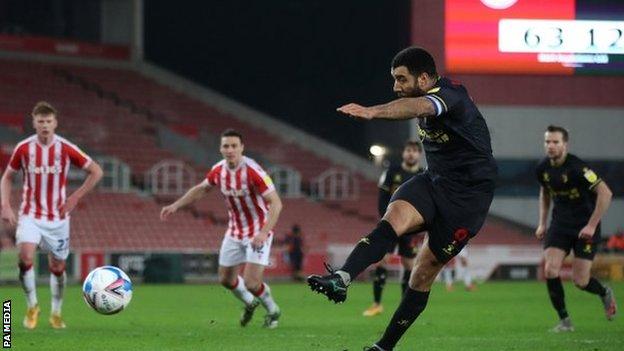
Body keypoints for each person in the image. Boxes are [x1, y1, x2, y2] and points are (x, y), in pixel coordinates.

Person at [307, 46, 498, 351]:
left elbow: (421, 108)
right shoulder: (426, 95)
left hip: (467, 200)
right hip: (433, 182)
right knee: (391, 219)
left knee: (422, 275)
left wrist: (373, 111)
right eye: (394, 80)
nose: (396, 87)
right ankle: (342, 277)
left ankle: (384, 347)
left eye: (401, 80)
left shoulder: (451, 97)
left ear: (423, 78)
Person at [160, 129, 283, 328]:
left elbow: (276, 203)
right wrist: (176, 205)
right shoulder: (219, 170)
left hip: (258, 232)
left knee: (252, 283)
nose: (230, 149)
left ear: (242, 148)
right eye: (226, 146)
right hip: (234, 232)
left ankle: (273, 310)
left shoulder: (254, 171)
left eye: (234, 146)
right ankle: (250, 303)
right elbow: (201, 189)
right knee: (226, 280)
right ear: (220, 148)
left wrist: (263, 232)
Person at [0, 101, 103, 329]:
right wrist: (5, 205)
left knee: (57, 267)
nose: (44, 125)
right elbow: (7, 176)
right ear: (34, 123)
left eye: (48, 121)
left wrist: (75, 197)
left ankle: (56, 312)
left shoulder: (66, 148)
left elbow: (96, 171)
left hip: (58, 218)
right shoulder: (24, 148)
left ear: (55, 123)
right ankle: (32, 305)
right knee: (25, 256)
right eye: (40, 121)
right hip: (30, 214)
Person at [535, 125, 616, 332]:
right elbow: (544, 194)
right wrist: (542, 223)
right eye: (547, 142)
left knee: (580, 281)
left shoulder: (579, 168)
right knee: (550, 270)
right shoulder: (543, 169)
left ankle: (604, 292)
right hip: (560, 225)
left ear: (565, 145)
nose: (551, 146)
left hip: (584, 228)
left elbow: (606, 194)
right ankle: (565, 322)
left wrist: (591, 225)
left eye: (555, 142)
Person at [363, 140, 424, 317]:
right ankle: (376, 304)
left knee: (409, 265)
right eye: (408, 150)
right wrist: (386, 220)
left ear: (419, 154)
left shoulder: (423, 175)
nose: (411, 154)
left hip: (410, 227)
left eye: (414, 151)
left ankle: (404, 307)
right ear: (404, 153)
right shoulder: (392, 172)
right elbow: (382, 198)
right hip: (391, 224)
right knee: (382, 261)